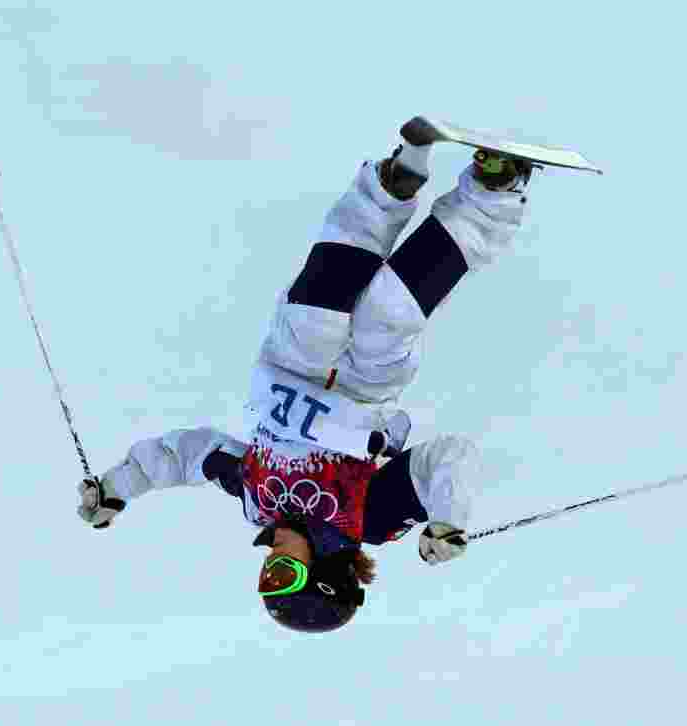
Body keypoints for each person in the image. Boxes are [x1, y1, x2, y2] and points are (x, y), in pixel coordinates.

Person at [77, 118, 535, 633]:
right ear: (324, 572)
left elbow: (189, 456)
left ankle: (391, 182)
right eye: (282, 573)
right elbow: (450, 459)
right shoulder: (371, 521)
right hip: (365, 386)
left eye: (264, 575)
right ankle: (493, 194)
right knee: (391, 304)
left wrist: (117, 487)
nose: (269, 562)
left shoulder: (257, 502)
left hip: (289, 364)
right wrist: (448, 519)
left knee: (329, 283)